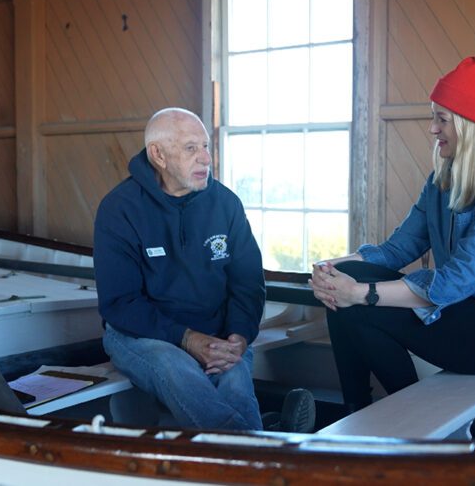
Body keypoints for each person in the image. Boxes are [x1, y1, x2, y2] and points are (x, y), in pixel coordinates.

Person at [310, 54, 475, 414]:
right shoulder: (443, 179)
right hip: (462, 306)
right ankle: (357, 412)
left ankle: (406, 418)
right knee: (346, 286)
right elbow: (398, 249)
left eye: (441, 119)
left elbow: (456, 280)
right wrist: (331, 269)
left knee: (359, 304)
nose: (432, 129)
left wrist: (359, 293)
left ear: (470, 124)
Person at [94, 107, 314, 431]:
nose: (206, 158)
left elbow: (248, 284)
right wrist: (187, 340)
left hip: (217, 333)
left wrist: (239, 336)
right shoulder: (119, 209)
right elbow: (120, 304)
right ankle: (265, 447)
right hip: (141, 336)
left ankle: (256, 451)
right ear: (158, 155)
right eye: (190, 148)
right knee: (177, 369)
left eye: (206, 146)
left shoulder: (226, 205)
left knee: (236, 381)